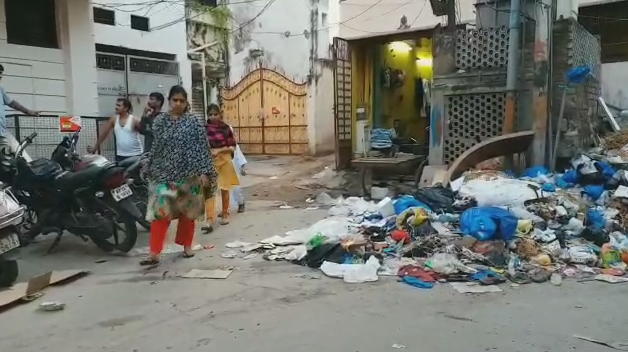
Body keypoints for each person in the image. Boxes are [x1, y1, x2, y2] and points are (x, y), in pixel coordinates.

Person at [140, 85, 217, 266]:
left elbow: (202, 149)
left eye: (182, 100)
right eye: (175, 100)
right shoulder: (160, 122)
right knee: (160, 213)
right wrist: (149, 165)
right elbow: (156, 146)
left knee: (188, 213)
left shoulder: (193, 123)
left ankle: (187, 246)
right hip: (164, 174)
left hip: (189, 174)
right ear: (169, 101)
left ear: (186, 102)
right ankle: (154, 253)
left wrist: (205, 172)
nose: (178, 103)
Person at [202, 103, 239, 233]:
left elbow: (232, 146)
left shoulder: (225, 128)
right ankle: (209, 219)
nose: (213, 117)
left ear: (220, 114)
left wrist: (220, 150)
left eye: (215, 114)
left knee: (224, 188)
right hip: (210, 162)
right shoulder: (204, 129)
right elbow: (201, 147)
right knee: (209, 191)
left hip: (224, 161)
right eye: (210, 114)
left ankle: (225, 213)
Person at [0, 64, 39, 160]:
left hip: (1, 134)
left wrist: (28, 111)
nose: (1, 77)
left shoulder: (0, 89)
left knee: (8, 159)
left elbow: (11, 103)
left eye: (1, 74)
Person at [88, 98, 143, 162]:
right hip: (120, 155)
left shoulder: (134, 120)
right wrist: (95, 147)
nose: (116, 107)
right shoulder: (113, 119)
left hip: (135, 155)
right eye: (116, 105)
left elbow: (144, 132)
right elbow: (104, 134)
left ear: (126, 108)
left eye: (119, 106)